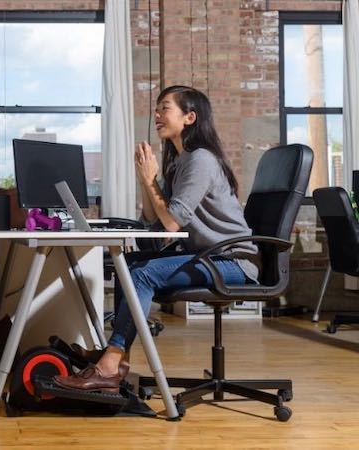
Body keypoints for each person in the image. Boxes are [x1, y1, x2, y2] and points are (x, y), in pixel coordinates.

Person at [54, 85, 261, 392]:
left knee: (142, 274)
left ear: (189, 117)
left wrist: (151, 180)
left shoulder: (201, 160)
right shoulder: (181, 162)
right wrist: (146, 180)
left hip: (232, 262)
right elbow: (154, 220)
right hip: (209, 255)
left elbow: (171, 222)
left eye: (165, 108)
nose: (157, 114)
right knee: (129, 264)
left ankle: (110, 362)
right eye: (157, 108)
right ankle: (118, 358)